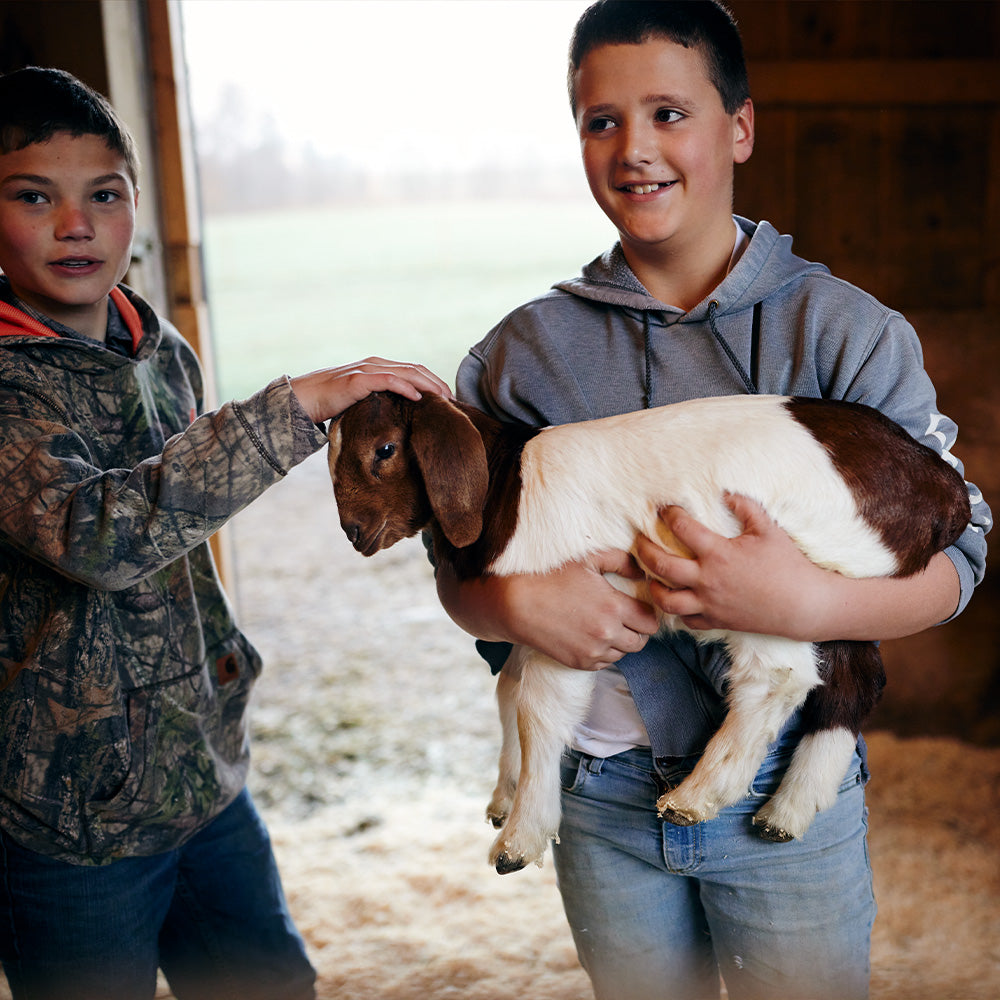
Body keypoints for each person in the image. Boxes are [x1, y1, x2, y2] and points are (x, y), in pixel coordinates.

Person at [436, 3, 991, 999]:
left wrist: (811, 608)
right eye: (600, 121)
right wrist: (510, 608)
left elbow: (963, 555)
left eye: (667, 113)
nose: (634, 148)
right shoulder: (524, 354)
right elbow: (458, 563)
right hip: (598, 789)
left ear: (739, 126)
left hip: (785, 795)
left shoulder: (843, 331)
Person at [0, 66, 451, 1000]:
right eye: (34, 196)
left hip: (202, 781)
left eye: (105, 195)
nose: (75, 224)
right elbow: (100, 537)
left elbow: (180, 532)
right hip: (69, 823)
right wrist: (292, 410)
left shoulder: (164, 352)